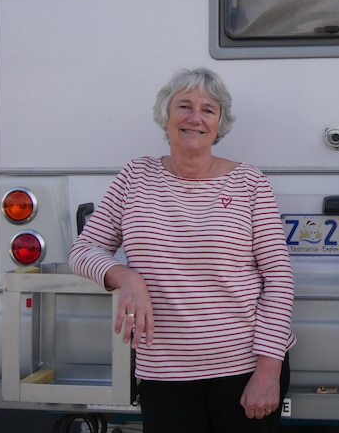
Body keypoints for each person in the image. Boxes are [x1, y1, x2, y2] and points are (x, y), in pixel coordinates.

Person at [69, 67, 295, 433]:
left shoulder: (250, 182)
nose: (195, 118)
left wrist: (268, 370)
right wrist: (126, 277)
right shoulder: (135, 177)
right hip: (164, 370)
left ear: (220, 123)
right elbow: (84, 249)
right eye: (184, 106)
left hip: (244, 368)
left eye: (208, 110)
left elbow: (278, 278)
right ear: (165, 116)